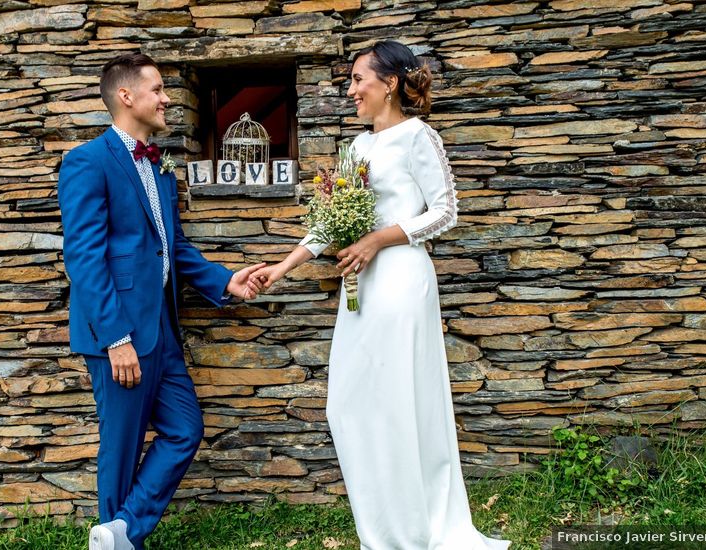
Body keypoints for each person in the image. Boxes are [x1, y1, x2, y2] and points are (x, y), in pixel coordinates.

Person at [250, 41, 511, 549]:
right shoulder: (356, 149)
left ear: (388, 83)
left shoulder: (419, 136)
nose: (350, 91)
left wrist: (376, 238)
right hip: (361, 286)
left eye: (356, 80)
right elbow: (330, 223)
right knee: (348, 403)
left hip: (401, 280)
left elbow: (444, 211)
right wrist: (280, 269)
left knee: (399, 402)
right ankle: (384, 526)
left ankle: (417, 528)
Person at [57, 53, 264, 550]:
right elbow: (84, 258)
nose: (167, 98)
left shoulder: (160, 166)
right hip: (121, 334)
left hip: (163, 330)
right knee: (122, 448)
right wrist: (116, 339)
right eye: (157, 89)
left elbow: (173, 246)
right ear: (126, 97)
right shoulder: (88, 161)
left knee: (184, 429)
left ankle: (121, 531)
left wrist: (224, 281)